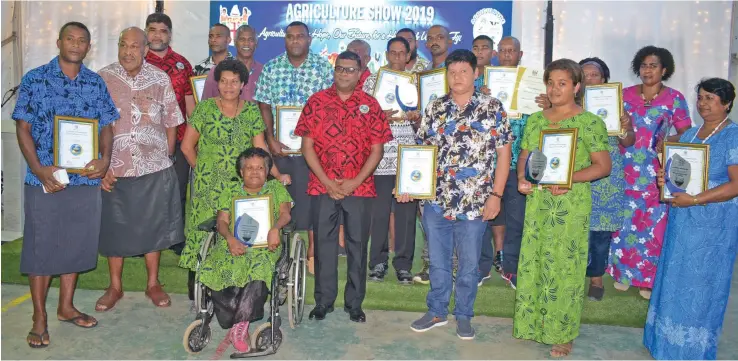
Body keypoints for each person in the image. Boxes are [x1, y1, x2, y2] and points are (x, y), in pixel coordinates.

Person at [13, 21, 119, 348]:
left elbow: (106, 127)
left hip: (84, 179)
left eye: (82, 40)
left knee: (75, 245)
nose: (76, 44)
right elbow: (23, 128)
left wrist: (104, 159)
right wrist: (38, 168)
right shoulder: (35, 79)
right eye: (70, 39)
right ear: (59, 42)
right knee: (42, 247)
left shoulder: (95, 83)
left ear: (89, 47)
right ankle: (39, 317)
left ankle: (66, 307)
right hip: (45, 180)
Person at [405, 49, 512, 340]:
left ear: (476, 74)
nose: (457, 77)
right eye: (452, 72)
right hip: (437, 200)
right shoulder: (435, 107)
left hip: (476, 201)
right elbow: (421, 153)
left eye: (464, 71)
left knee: (468, 265)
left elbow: (504, 156)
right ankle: (437, 310)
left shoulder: (493, 108)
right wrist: (410, 187)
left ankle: (464, 315)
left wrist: (497, 195)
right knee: (438, 261)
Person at [513, 58, 611, 357]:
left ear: (577, 87)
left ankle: (564, 333)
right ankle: (532, 324)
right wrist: (522, 179)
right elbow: (525, 158)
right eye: (551, 82)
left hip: (570, 204)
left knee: (565, 269)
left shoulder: (589, 122)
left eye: (563, 83)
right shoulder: (536, 120)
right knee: (535, 262)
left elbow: (603, 167)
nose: (555, 89)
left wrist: (571, 179)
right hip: (539, 203)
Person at [179, 59, 291, 304]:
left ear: (242, 84)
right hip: (208, 187)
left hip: (242, 187)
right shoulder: (205, 109)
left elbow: (261, 149)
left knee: (238, 231)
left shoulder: (251, 111)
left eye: (234, 81)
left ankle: (235, 286)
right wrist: (204, 172)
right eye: (223, 81)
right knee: (203, 232)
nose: (228, 86)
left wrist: (277, 174)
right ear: (217, 83)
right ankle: (199, 288)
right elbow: (187, 147)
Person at [644, 78, 738, 360]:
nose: (703, 103)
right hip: (682, 221)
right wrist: (666, 180)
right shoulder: (690, 136)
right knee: (675, 278)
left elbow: (736, 184)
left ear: (727, 104)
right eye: (701, 97)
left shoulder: (733, 136)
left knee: (701, 285)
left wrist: (696, 199)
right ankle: (664, 343)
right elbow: (676, 176)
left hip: (714, 225)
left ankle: (690, 349)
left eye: (710, 98)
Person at [295, 51, 392, 323]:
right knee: (324, 246)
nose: (344, 73)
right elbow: (307, 146)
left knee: (357, 246)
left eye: (350, 70)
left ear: (360, 73)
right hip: (322, 186)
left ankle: (354, 304)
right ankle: (323, 302)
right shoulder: (316, 102)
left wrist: (353, 182)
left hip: (359, 188)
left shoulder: (370, 105)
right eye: (340, 68)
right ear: (334, 71)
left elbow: (377, 150)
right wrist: (328, 181)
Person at [95, 27, 185, 311]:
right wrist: (102, 164)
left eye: (135, 46)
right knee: (115, 227)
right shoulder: (103, 78)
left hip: (154, 166)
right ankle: (115, 286)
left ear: (146, 49)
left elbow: (171, 120)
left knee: (154, 225)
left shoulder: (160, 79)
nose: (128, 51)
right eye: (123, 45)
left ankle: (153, 284)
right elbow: (94, 124)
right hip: (115, 169)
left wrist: (166, 158)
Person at [607, 46, 692, 300]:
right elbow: (616, 129)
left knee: (654, 226)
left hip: (657, 173)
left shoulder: (675, 98)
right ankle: (622, 274)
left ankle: (647, 279)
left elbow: (687, 133)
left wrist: (668, 139)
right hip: (626, 170)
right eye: (644, 65)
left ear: (664, 70)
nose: (648, 70)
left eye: (653, 65)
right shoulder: (624, 95)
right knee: (624, 222)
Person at [253, 21, 333, 271]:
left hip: (314, 150)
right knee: (280, 202)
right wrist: (270, 138)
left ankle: (311, 253)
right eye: (290, 36)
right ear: (284, 40)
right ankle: (280, 254)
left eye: (300, 36)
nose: (295, 40)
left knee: (314, 202)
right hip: (281, 150)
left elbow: (330, 107)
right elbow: (263, 104)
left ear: (310, 40)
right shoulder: (272, 68)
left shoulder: (323, 69)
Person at [476, 36, 548, 289]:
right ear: (496, 54)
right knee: (482, 217)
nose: (507, 55)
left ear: (520, 54)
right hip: (487, 163)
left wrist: (546, 105)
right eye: (503, 51)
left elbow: (546, 118)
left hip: (520, 162)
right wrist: (479, 96)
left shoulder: (535, 84)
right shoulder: (481, 82)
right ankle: (481, 266)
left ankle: (512, 268)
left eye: (512, 51)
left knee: (518, 218)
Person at [205, 148, 293, 353]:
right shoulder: (230, 191)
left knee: (258, 266)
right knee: (218, 264)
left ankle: (240, 324)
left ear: (268, 171)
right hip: (234, 243)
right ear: (241, 172)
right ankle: (233, 318)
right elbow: (222, 220)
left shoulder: (276, 189)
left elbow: (285, 213)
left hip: (265, 247)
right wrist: (229, 239)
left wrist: (275, 229)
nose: (255, 172)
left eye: (260, 168)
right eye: (249, 168)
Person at [363, 37, 420, 284]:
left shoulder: (419, 82)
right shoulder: (373, 82)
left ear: (408, 56)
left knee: (407, 213)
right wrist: (377, 116)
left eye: (401, 54)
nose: (397, 58)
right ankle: (377, 262)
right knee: (379, 213)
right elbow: (361, 116)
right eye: (392, 53)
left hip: (410, 157)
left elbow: (430, 120)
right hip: (381, 156)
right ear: (386, 54)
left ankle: (404, 264)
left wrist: (418, 118)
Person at [578, 57, 635, 301]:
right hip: (578, 168)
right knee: (576, 226)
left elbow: (628, 141)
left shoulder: (616, 105)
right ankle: (573, 275)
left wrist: (626, 126)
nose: (590, 79)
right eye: (585, 74)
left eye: (595, 75)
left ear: (604, 80)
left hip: (607, 175)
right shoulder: (569, 103)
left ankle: (596, 278)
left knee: (601, 231)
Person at [144, 13, 195, 254]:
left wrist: (194, 137)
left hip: (181, 138)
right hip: (146, 140)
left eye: (162, 30)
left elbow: (189, 102)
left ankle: (176, 238)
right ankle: (146, 239)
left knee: (177, 190)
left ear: (170, 34)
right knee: (147, 192)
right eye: (152, 30)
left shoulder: (183, 64)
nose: (157, 35)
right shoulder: (137, 62)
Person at [202, 25, 262, 102]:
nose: (246, 43)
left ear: (256, 43)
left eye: (251, 40)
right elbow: (205, 104)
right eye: (242, 39)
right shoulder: (217, 70)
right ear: (235, 42)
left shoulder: (264, 71)